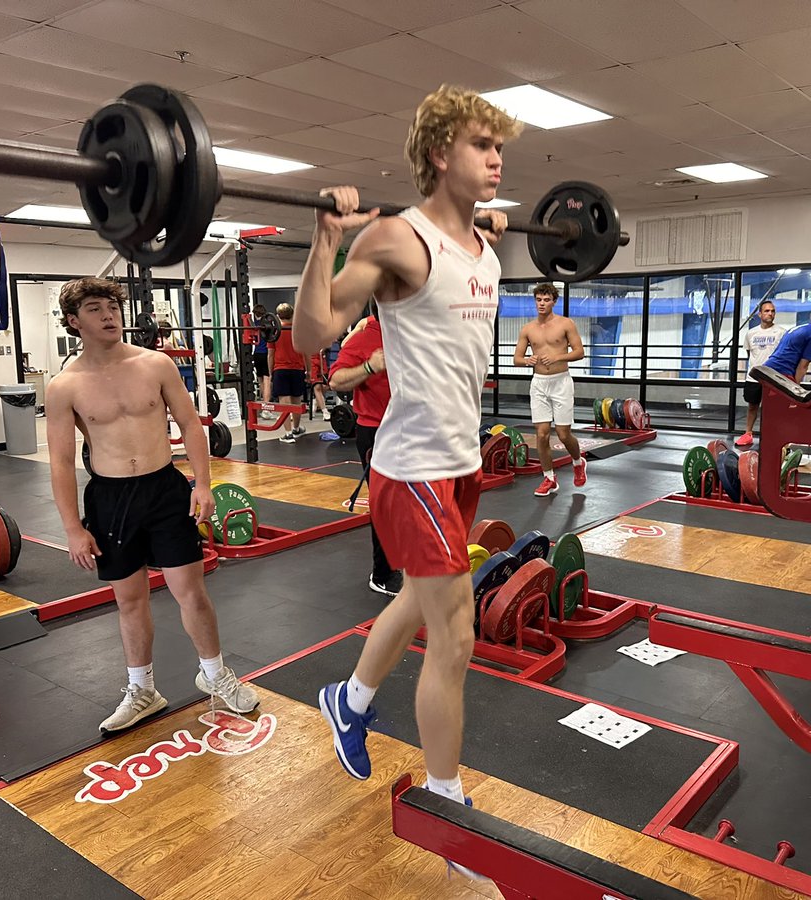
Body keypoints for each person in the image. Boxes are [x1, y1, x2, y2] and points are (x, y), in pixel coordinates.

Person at [293, 83, 519, 877]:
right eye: (481, 145)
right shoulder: (395, 240)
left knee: (417, 605)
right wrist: (326, 240)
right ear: (437, 154)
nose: (496, 160)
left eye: (500, 148)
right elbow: (315, 332)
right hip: (412, 469)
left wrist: (479, 226)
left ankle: (348, 701)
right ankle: (448, 806)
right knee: (454, 638)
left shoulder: (487, 247)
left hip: (460, 464)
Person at [45, 276, 258, 733]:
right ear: (73, 321)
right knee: (129, 599)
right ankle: (142, 689)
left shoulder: (155, 364)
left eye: (112, 307)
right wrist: (71, 528)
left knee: (191, 592)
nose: (109, 316)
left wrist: (203, 484)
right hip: (110, 498)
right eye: (96, 309)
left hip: (165, 490)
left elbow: (190, 423)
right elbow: (61, 463)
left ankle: (215, 674)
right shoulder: (65, 386)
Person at [328, 312, 403, 597]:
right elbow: (335, 380)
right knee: (386, 504)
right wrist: (370, 367)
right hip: (378, 433)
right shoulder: (366, 335)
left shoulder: (417, 329)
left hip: (414, 430)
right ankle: (383, 573)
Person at [513, 282, 586, 497]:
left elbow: (579, 352)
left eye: (546, 300)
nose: (542, 304)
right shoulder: (528, 328)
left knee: (563, 434)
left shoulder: (565, 324)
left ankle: (577, 461)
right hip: (539, 383)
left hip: (561, 381)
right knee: (542, 434)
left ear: (553, 302)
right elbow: (516, 358)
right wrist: (527, 360)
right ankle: (549, 478)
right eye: (538, 300)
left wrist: (557, 356)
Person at [735, 299, 788, 447]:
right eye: (767, 311)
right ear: (760, 314)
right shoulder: (751, 333)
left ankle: (772, 436)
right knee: (752, 406)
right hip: (754, 378)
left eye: (772, 311)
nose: (770, 313)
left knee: (771, 409)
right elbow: (749, 354)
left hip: (773, 378)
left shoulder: (782, 332)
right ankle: (748, 434)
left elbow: (784, 354)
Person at [762, 305, 811, 384]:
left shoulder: (800, 328)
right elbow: (803, 366)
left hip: (768, 368)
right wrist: (795, 388)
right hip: (781, 372)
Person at [268, 303, 306, 443]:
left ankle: (288, 433)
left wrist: (270, 372)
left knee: (284, 402)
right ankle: (296, 429)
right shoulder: (298, 331)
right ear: (293, 314)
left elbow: (270, 355)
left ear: (277, 316)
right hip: (297, 369)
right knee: (296, 401)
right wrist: (307, 370)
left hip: (281, 370)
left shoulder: (274, 332)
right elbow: (305, 353)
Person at [244, 304, 272, 417]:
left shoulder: (254, 326)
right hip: (265, 354)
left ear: (255, 314)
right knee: (267, 381)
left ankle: (264, 407)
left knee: (261, 381)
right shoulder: (267, 326)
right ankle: (266, 408)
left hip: (256, 354)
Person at [309, 351, 330, 421]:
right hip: (312, 359)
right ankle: (324, 411)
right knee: (317, 386)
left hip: (322, 358)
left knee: (326, 386)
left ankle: (315, 401)